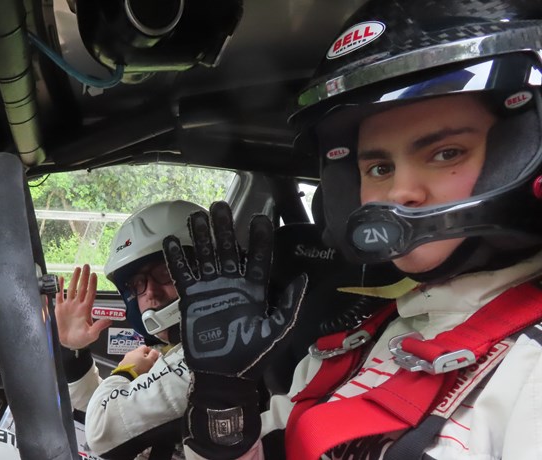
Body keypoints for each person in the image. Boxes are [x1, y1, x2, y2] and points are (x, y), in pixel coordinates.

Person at [166, 1, 542, 459]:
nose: (399, 192)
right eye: (379, 167)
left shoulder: (530, 373)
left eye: (446, 153)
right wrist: (223, 395)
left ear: (519, 154)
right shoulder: (351, 349)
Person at [57, 200, 205, 458]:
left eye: (165, 272)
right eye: (138, 283)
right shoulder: (177, 350)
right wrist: (74, 351)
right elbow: (104, 405)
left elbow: (102, 428)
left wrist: (126, 372)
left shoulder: (207, 355)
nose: (150, 293)